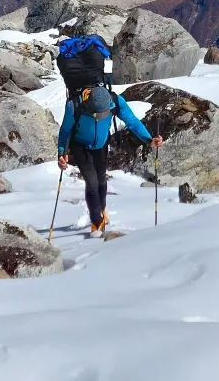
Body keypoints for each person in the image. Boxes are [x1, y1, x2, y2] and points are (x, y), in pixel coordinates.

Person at [56, 41, 163, 238]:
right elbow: (65, 132)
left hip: (101, 144)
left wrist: (149, 140)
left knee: (101, 179)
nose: (101, 115)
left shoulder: (114, 101)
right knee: (91, 181)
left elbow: (131, 121)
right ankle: (96, 221)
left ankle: (101, 210)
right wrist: (62, 154)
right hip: (80, 146)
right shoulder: (75, 105)